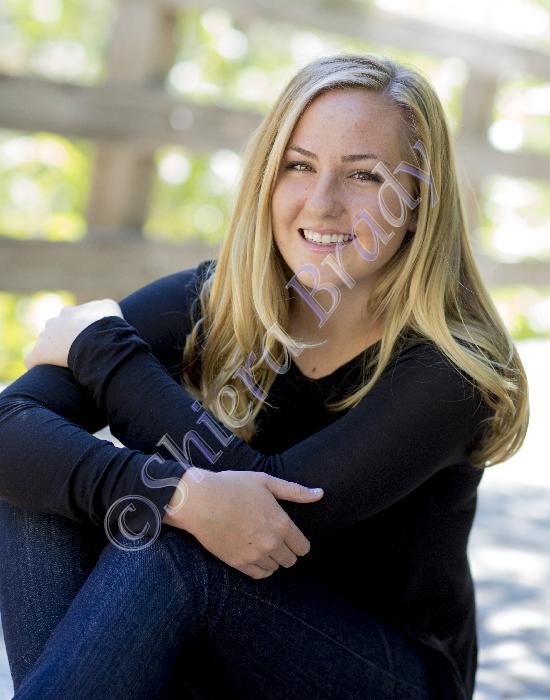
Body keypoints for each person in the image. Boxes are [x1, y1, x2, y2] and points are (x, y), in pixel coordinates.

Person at [0, 53, 529, 700]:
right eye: (299, 166)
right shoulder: (215, 302)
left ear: (416, 203)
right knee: (38, 487)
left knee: (176, 552)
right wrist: (177, 493)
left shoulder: (451, 370)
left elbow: (264, 521)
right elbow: (9, 426)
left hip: (385, 674)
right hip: (214, 647)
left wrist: (105, 355)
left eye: (364, 176)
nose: (322, 203)